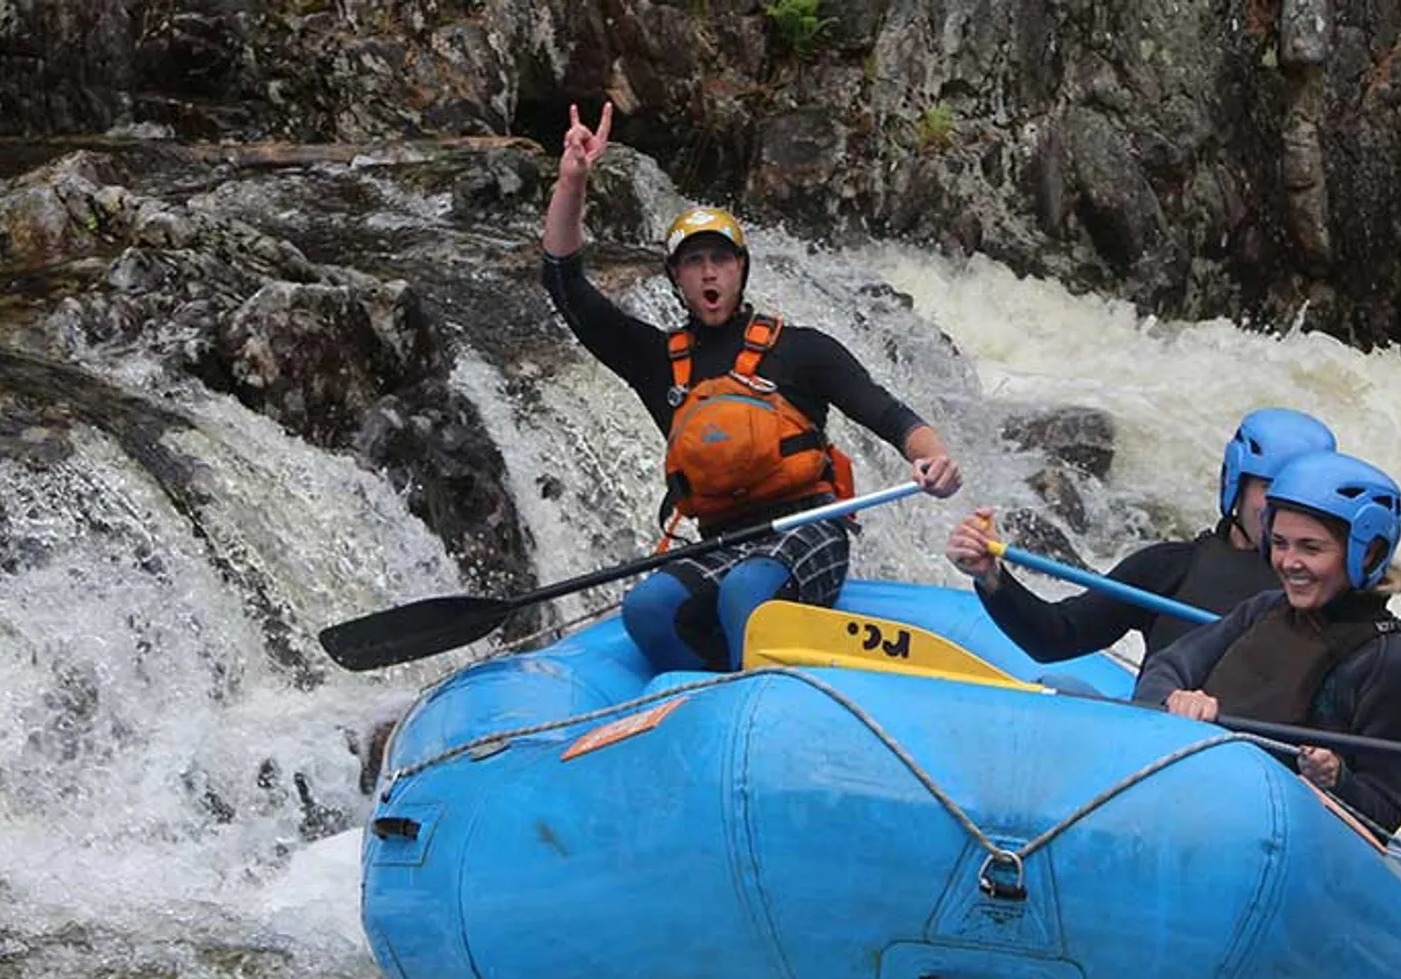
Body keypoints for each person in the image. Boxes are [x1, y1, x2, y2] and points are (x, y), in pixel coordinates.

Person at [540, 103, 961, 671]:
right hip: (722, 541)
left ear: (741, 269)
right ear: (676, 278)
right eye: (694, 263)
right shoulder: (658, 361)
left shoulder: (802, 349)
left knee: (746, 593)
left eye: (720, 259)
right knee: (648, 608)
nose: (708, 273)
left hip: (807, 530)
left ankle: (752, 699)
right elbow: (565, 286)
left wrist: (933, 460)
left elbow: (889, 415)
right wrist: (573, 180)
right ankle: (702, 696)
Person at [1131, 449, 1401, 834]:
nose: (1289, 562)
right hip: (1192, 794)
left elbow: (1384, 813)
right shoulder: (1264, 609)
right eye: (1280, 543)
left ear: (1367, 553)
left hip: (1271, 836)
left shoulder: (1391, 662)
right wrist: (1175, 700)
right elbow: (1166, 667)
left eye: (1311, 548)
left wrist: (1335, 778)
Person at [943, 408, 1336, 662]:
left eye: (1302, 496)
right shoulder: (1170, 567)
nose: (1287, 510)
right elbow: (1056, 637)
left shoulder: (1331, 593)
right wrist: (991, 577)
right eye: (1273, 490)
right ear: (1237, 484)